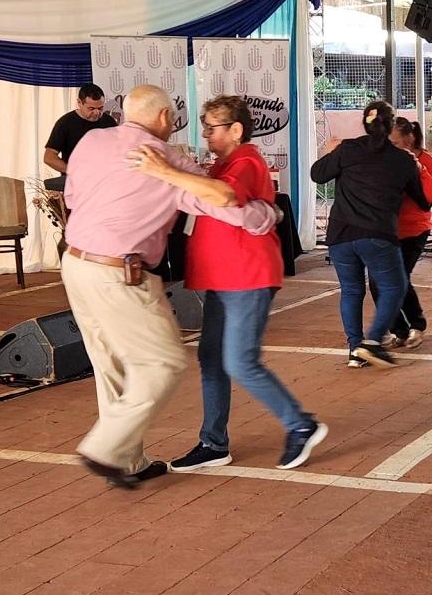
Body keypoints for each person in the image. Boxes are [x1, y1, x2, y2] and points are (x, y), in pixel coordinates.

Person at [62, 85, 278, 488]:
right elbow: (223, 202)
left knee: (111, 365)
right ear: (164, 118)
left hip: (75, 263)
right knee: (164, 362)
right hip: (121, 273)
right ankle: (106, 448)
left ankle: (127, 460)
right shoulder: (167, 159)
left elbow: (73, 196)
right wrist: (266, 215)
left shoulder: (92, 140)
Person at [133, 95, 327, 472]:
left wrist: (165, 171)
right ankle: (213, 442)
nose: (205, 134)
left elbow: (223, 199)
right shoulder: (223, 164)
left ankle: (300, 423)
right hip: (224, 276)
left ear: (236, 130)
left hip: (247, 275)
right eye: (203, 126)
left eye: (211, 127)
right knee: (212, 358)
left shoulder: (245, 161)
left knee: (240, 361)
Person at [311, 101, 429, 368]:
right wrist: (415, 171)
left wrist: (330, 152)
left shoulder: (348, 149)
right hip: (377, 234)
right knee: (395, 287)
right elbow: (423, 202)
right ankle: (373, 342)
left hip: (340, 233)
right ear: (390, 127)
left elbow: (317, 174)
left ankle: (355, 350)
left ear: (364, 123)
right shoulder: (403, 160)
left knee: (351, 291)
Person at [368, 117, 432, 350]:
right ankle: (398, 330)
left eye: (393, 142)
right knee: (376, 282)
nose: (388, 146)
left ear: (409, 139)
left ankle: (417, 325)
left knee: (398, 279)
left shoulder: (425, 159)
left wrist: (419, 170)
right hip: (385, 229)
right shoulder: (384, 160)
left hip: (414, 230)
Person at [44, 83, 118, 189]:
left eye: (100, 108)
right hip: (77, 185)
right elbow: (49, 157)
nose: (97, 113)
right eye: (91, 108)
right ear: (79, 102)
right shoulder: (65, 123)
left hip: (105, 183)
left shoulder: (109, 121)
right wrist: (73, 171)